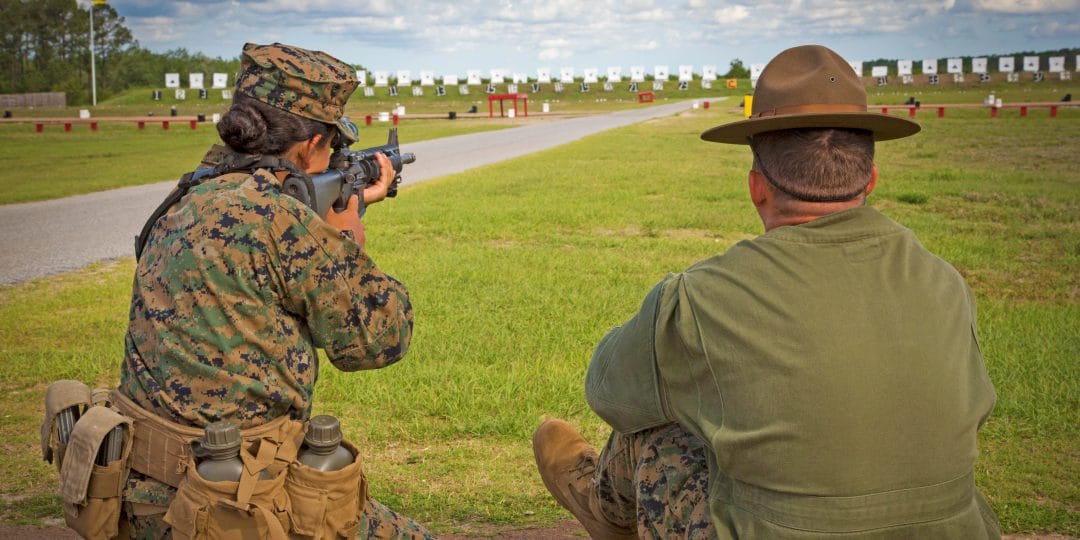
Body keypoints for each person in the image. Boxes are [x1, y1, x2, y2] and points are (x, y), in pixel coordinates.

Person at [532, 44, 1001, 539]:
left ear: (757, 187)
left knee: (660, 423)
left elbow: (610, 392)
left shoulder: (701, 297)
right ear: (872, 179)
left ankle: (606, 510)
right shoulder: (945, 281)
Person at [114, 42, 433, 538]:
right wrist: (347, 233)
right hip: (231, 506)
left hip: (139, 494)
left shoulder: (186, 197)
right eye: (329, 146)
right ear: (309, 148)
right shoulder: (281, 220)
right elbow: (379, 339)